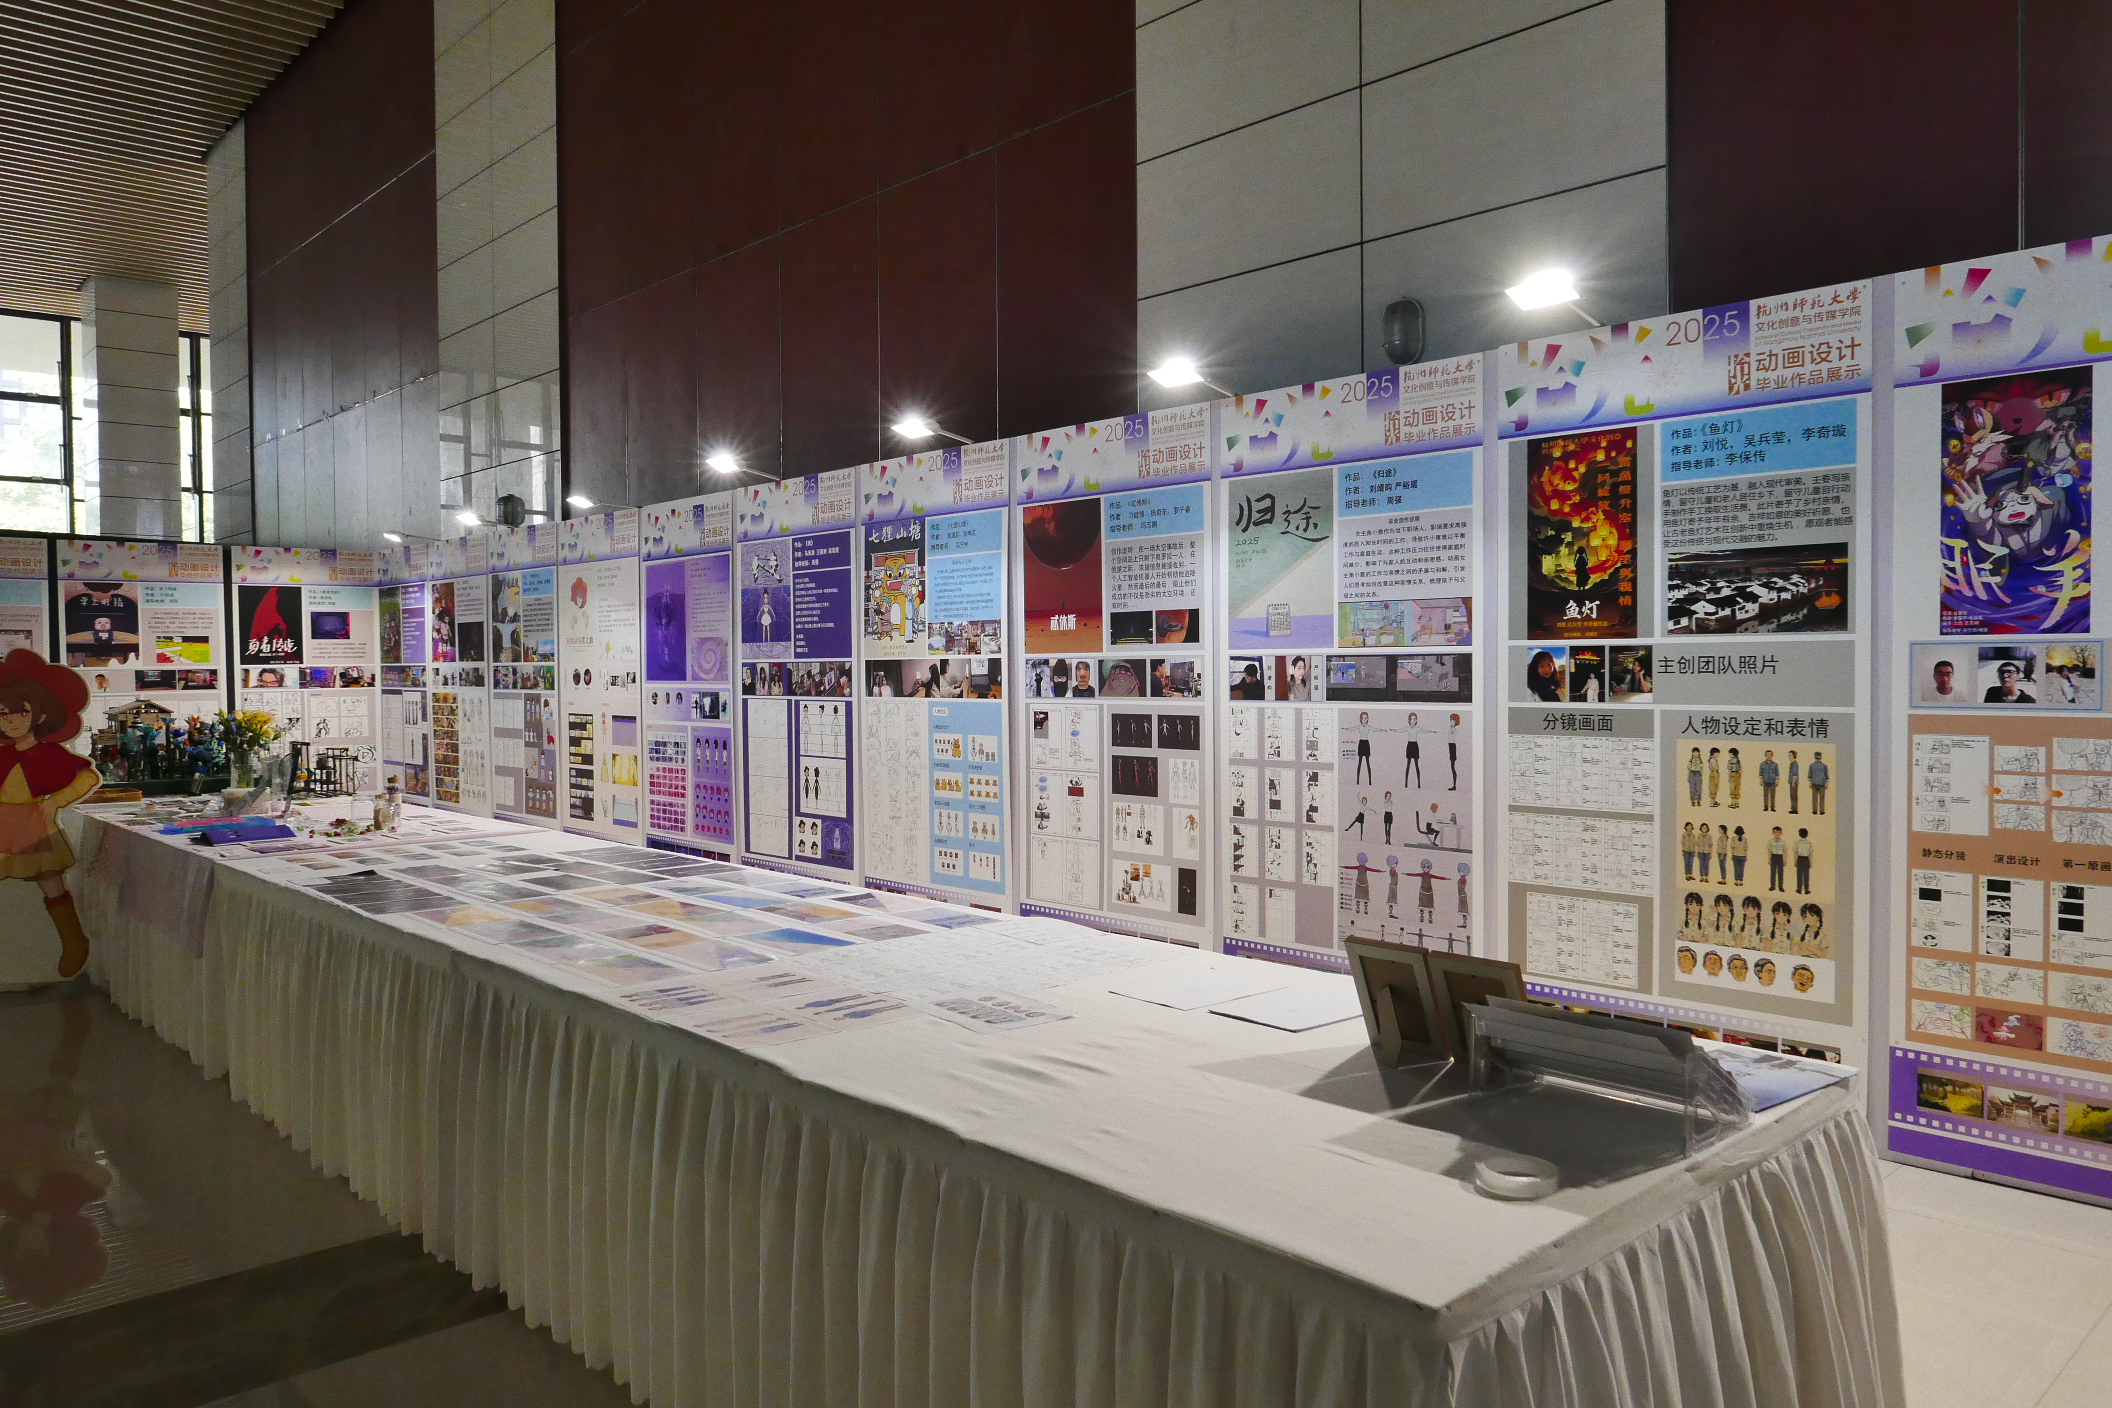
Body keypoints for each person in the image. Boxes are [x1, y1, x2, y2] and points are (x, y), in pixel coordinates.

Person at [0, 652, 100, 979]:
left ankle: (74, 941)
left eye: (21, 712)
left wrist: (57, 800)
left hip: (32, 824)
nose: (11, 721)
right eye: (3, 714)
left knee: (50, 881)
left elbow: (86, 776)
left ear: (39, 714)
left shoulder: (49, 753)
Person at [1403, 712, 1422, 788]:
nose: (1412, 721)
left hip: (1415, 746)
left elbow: (1423, 730)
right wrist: (1394, 730)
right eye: (1411, 719)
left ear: (1416, 720)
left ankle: (1419, 784)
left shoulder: (1417, 728)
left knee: (1416, 765)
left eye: (1414, 719)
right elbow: (1401, 730)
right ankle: (1406, 783)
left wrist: (1430, 731)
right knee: (1408, 765)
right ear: (1409, 720)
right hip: (1410, 745)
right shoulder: (1408, 728)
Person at [1808, 749, 1830, 815]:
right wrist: (1827, 783)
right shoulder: (1824, 766)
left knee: (1814, 798)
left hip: (1814, 783)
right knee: (1822, 798)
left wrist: (1810, 783)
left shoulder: (1811, 765)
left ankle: (1814, 810)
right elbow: (1827, 776)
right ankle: (1822, 811)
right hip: (1822, 783)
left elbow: (1809, 776)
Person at [1794, 827, 1814, 894]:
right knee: (1806, 874)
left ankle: (1799, 889)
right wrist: (1810, 863)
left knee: (1799, 874)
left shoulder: (1797, 843)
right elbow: (1810, 854)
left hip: (1800, 858)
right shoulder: (1809, 843)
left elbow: (1795, 853)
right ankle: (1806, 889)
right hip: (1806, 859)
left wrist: (1795, 861)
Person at [1354, 710, 1372, 784]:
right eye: (1362, 718)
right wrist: (1345, 729)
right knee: (1359, 763)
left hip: (1366, 744)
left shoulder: (1368, 727)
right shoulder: (1359, 726)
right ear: (1360, 719)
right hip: (1361, 744)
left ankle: (1370, 781)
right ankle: (1357, 781)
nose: (1364, 719)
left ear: (1367, 719)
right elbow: (1353, 728)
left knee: (1368, 763)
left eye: (1365, 718)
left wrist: (1382, 730)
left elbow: (1375, 729)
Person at [1768, 825, 1787, 892]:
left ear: (1781, 833)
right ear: (1773, 833)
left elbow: (1785, 852)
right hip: (1773, 856)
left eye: (1778, 832)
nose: (1777, 834)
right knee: (1773, 872)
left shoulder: (1783, 842)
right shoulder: (1771, 841)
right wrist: (1769, 859)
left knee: (1780, 872)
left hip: (1780, 857)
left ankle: (1780, 886)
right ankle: (1772, 886)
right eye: (1775, 832)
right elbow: (1769, 851)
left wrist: (1785, 860)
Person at [1446, 713, 1461, 790]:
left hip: (1452, 747)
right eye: (1450, 720)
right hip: (1450, 746)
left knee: (1452, 767)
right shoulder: (1451, 729)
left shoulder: (1453, 730)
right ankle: (1454, 785)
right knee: (1452, 767)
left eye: (1452, 720)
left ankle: (1454, 785)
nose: (1451, 721)